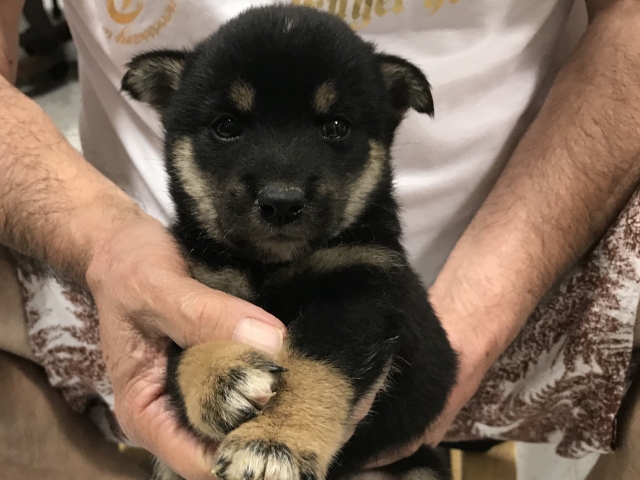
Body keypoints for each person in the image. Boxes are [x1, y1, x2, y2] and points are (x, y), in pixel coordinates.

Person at [1, 0, 640, 479]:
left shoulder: (362, 257)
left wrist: (295, 424)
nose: (282, 186)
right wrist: (109, 247)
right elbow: (186, 353)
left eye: (334, 128)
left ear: (390, 120)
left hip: (510, 284)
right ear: (168, 106)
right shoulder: (190, 252)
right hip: (116, 265)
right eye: (227, 127)